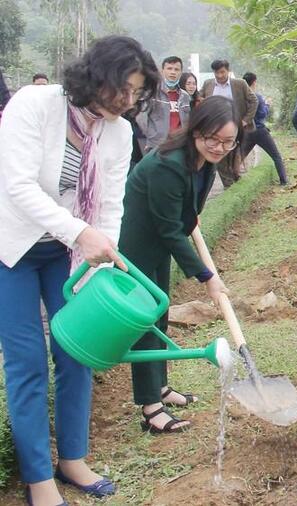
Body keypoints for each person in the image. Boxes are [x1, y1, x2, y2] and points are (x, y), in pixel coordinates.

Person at [0, 35, 158, 506]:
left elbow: (111, 203)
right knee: (27, 361)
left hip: (66, 251)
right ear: (96, 76)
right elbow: (18, 186)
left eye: (136, 94)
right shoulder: (35, 105)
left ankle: (72, 459)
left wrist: (100, 257)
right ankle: (38, 481)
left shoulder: (118, 130)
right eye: (122, 89)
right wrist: (80, 234)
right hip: (12, 247)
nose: (128, 102)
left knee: (77, 350)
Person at [119, 96, 235, 434]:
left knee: (161, 316)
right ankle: (150, 406)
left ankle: (161, 387)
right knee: (146, 325)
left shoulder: (204, 160)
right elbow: (169, 230)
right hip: (136, 246)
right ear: (196, 131)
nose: (219, 147)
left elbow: (187, 212)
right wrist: (206, 276)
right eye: (212, 139)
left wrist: (191, 217)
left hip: (158, 243)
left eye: (228, 142)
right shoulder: (168, 164)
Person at [200, 59, 257, 187]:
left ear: (228, 71)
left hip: (236, 127)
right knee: (220, 156)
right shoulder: (208, 84)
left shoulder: (239, 84)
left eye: (222, 72)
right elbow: (198, 99)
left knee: (234, 155)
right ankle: (228, 184)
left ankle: (236, 179)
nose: (219, 76)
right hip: (216, 128)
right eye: (216, 73)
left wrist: (245, 120)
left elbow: (253, 101)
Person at [135, 56, 191, 154]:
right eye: (169, 68)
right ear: (162, 71)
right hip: (156, 145)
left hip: (178, 145)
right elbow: (141, 118)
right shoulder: (151, 92)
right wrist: (152, 136)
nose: (173, 72)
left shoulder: (185, 96)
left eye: (176, 69)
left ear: (181, 72)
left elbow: (187, 120)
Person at [240, 72, 288, 185]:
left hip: (247, 130)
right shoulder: (257, 97)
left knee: (239, 157)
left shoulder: (241, 98)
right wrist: (267, 105)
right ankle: (284, 181)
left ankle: (232, 181)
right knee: (276, 156)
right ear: (254, 82)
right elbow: (262, 114)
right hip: (260, 131)